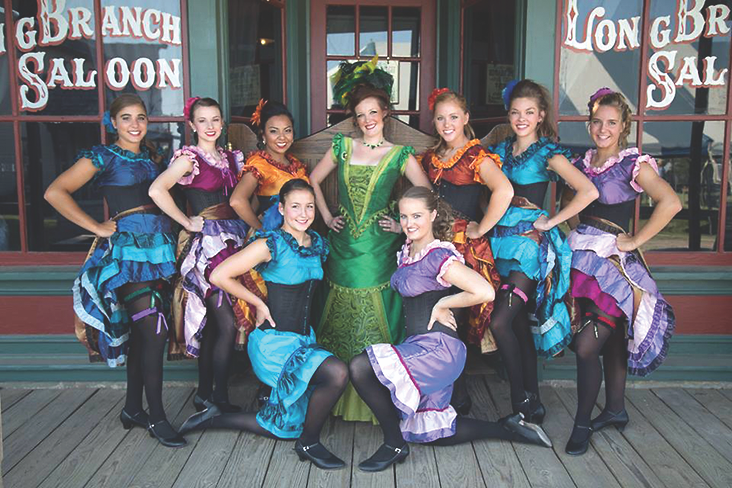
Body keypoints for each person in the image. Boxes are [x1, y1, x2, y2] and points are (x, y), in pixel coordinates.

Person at [349, 187, 552, 472]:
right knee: (434, 432)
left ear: (433, 215)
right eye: (404, 216)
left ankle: (393, 444)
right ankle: (508, 428)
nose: (409, 223)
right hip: (418, 346)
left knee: (360, 367)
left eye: (417, 215)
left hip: (439, 350)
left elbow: (484, 291)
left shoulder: (438, 257)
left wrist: (444, 303)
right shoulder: (408, 252)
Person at [44, 94, 185, 447]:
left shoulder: (155, 157)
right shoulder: (102, 156)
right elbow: (54, 192)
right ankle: (157, 417)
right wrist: (95, 226)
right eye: (126, 118)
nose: (135, 125)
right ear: (113, 122)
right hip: (127, 257)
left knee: (146, 335)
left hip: (162, 253)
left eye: (140, 117)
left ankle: (133, 409)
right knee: (154, 332)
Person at [179, 179, 349, 471]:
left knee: (282, 426)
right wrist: (258, 303)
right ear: (281, 208)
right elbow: (219, 275)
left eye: (309, 206)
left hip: (303, 340)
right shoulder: (269, 243)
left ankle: (214, 416)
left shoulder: (316, 243)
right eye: (295, 206)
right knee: (337, 372)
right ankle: (309, 443)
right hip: (274, 343)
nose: (304, 213)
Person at [310, 58, 432, 422]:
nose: (367, 120)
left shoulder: (398, 154)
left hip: (380, 246)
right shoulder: (342, 147)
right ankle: (333, 391)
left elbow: (425, 190)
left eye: (373, 112)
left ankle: (376, 395)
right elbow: (312, 181)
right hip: (343, 244)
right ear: (355, 118)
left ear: (385, 114)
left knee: (378, 313)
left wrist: (400, 220)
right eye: (361, 114)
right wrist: (327, 215)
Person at [563, 89, 680, 455]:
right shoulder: (580, 165)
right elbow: (570, 207)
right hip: (581, 260)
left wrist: (636, 239)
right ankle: (615, 409)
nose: (602, 129)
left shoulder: (633, 164)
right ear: (589, 123)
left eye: (611, 122)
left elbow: (671, 202)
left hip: (614, 268)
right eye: (597, 122)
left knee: (586, 347)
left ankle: (582, 423)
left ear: (624, 126)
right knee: (612, 339)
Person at [487, 80, 598, 424]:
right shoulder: (501, 149)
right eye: (516, 112)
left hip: (528, 248)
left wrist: (552, 223)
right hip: (499, 243)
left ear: (541, 116)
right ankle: (532, 402)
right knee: (519, 326)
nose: (521, 118)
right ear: (509, 115)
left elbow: (587, 190)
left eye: (529, 113)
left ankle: (519, 398)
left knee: (500, 320)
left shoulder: (548, 153)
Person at [148, 96, 248, 414]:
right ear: (192, 125)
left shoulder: (232, 158)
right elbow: (156, 190)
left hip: (235, 242)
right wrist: (186, 221)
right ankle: (217, 398)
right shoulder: (189, 159)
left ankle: (206, 395)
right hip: (208, 248)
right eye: (202, 121)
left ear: (222, 122)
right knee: (227, 324)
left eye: (215, 119)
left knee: (219, 328)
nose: (209, 126)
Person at [417, 88, 514, 413]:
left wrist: (481, 227)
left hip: (461, 246)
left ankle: (458, 395)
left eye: (454, 117)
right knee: (436, 313)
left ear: (466, 119)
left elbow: (504, 189)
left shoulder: (476, 156)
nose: (447, 124)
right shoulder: (431, 158)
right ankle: (445, 389)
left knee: (456, 315)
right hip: (433, 243)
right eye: (441, 118)